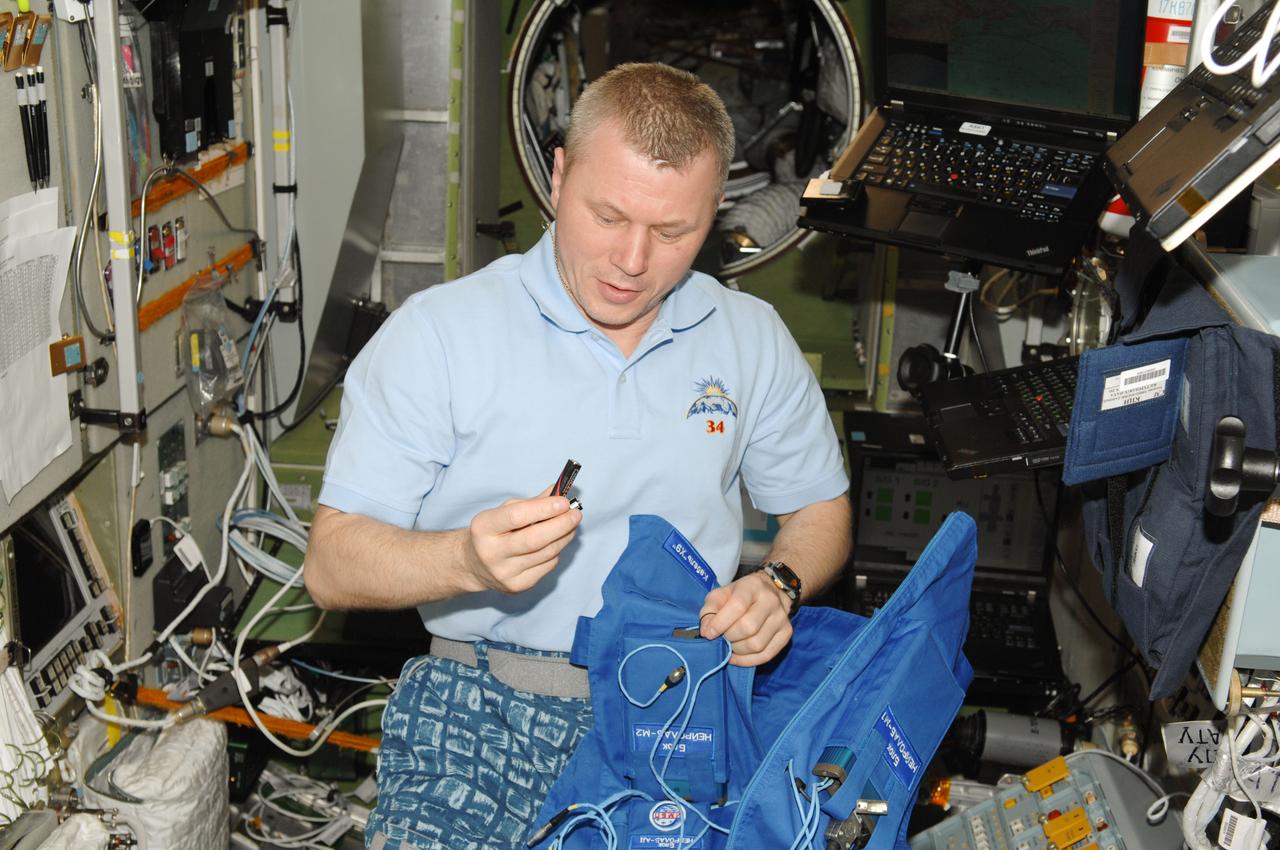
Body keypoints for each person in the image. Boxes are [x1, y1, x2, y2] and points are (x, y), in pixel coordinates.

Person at [304, 62, 851, 850]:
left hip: (676, 710)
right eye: (608, 216)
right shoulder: (439, 335)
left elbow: (818, 506)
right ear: (558, 176)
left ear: (716, 212)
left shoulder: (750, 339)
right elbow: (330, 565)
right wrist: (465, 559)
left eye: (672, 233)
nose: (632, 260)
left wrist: (780, 583)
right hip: (478, 705)